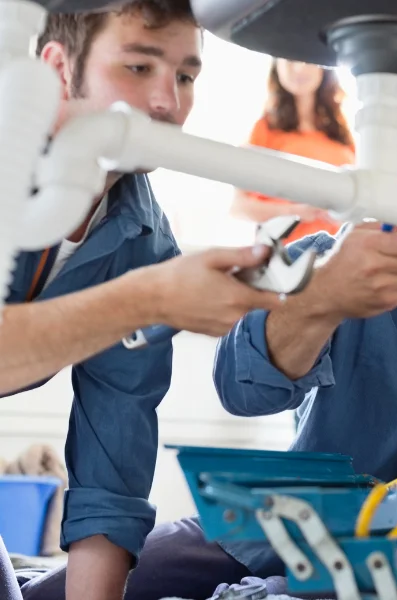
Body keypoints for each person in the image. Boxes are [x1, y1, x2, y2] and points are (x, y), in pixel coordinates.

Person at [26, 73, 397, 600]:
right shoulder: (324, 260)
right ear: (393, 176)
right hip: (267, 530)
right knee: (47, 595)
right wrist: (323, 299)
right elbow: (241, 390)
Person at [1, 3, 282, 600]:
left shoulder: (145, 244)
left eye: (185, 76)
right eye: (137, 67)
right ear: (56, 69)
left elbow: (112, 468)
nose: (168, 103)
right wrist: (144, 299)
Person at [230, 58, 355, 244]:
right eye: (289, 60)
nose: (298, 68)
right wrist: (295, 211)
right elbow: (239, 207)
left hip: (336, 252)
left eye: (307, 60)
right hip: (287, 257)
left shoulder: (341, 132)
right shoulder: (266, 129)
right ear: (276, 67)